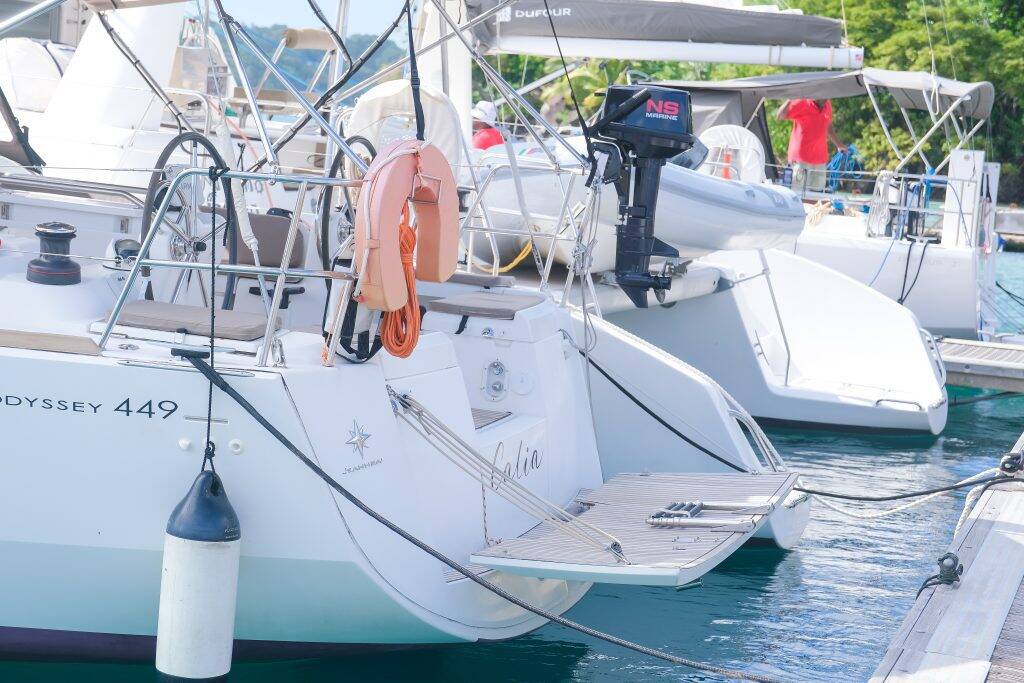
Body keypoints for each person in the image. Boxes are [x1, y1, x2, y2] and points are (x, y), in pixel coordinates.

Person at [775, 99, 846, 192]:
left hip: (819, 159)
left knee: (817, 195)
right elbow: (780, 116)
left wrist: (839, 145)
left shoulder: (827, 104)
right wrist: (790, 99)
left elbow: (828, 126)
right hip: (800, 159)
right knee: (796, 193)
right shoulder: (801, 101)